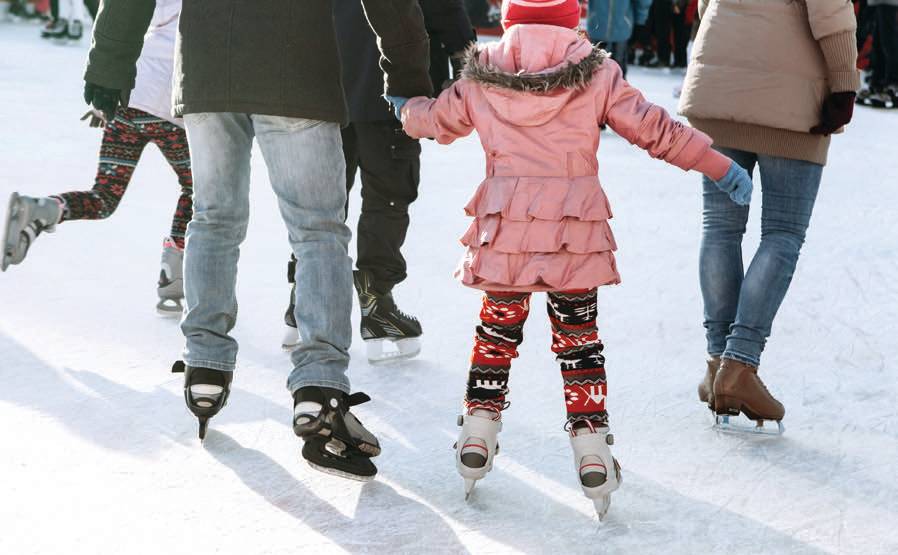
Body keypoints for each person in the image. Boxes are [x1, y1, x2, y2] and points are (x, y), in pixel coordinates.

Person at [387, 0, 752, 519]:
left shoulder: (484, 72)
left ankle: (476, 435)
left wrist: (404, 107)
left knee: (496, 334)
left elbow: (437, 120)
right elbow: (655, 129)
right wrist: (718, 166)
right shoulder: (598, 72)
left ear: (510, 20)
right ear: (571, 20)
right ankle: (591, 451)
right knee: (579, 342)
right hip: (572, 232)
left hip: (506, 229)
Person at [81, 0, 432, 481]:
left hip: (208, 72)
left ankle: (205, 363)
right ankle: (319, 386)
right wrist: (408, 74)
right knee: (317, 232)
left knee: (213, 217)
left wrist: (109, 65)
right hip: (296, 73)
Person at [679, 0, 859, 432]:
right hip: (790, 99)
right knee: (782, 233)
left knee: (720, 228)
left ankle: (718, 363)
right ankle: (738, 365)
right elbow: (830, 10)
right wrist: (844, 84)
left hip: (718, 84)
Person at [281, 0, 476, 364]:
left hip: (327, 83)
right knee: (387, 196)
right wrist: (465, 65)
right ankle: (377, 304)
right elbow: (445, 10)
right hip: (396, 88)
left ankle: (304, 297)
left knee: (324, 200)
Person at [2, 0, 190, 317]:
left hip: (128, 96)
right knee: (198, 189)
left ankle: (43, 209)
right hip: (170, 108)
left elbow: (125, 24)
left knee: (103, 196)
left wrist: (106, 100)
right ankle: (172, 277)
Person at [586, 0, 652, 79]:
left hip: (621, 28)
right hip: (597, 27)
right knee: (595, 72)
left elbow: (643, 2)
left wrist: (640, 21)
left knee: (618, 71)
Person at [858, 0, 898, 107]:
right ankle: (878, 83)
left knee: (889, 42)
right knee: (878, 43)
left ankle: (893, 84)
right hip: (876, 2)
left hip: (889, 2)